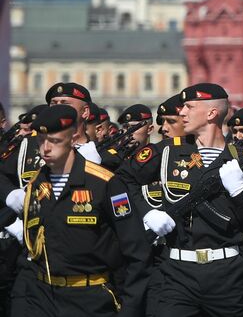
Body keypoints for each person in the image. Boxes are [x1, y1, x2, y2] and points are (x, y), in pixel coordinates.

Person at [121, 82, 243, 317]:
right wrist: (146, 212)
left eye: (189, 107)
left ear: (212, 113)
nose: (181, 112)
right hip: (176, 272)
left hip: (227, 273)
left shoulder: (242, 159)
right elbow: (120, 181)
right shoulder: (168, 151)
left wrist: (239, 193)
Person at [7, 104, 145, 316]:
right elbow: (32, 249)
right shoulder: (36, 185)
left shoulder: (104, 183)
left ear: (73, 139)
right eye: (41, 141)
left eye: (54, 141)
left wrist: (130, 308)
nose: (45, 148)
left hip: (90, 299)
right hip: (41, 298)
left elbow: (136, 251)